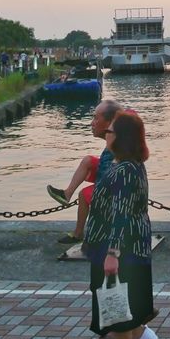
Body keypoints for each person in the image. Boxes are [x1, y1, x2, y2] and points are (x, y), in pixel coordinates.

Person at [84, 110, 158, 339]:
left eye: (110, 131)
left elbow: (122, 213)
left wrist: (112, 252)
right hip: (131, 242)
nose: (106, 134)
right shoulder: (129, 165)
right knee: (123, 296)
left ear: (121, 137)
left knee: (115, 298)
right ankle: (139, 334)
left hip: (118, 246)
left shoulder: (125, 170)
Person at [47, 99, 123, 248]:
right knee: (88, 160)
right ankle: (67, 194)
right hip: (106, 175)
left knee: (84, 194)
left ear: (110, 122)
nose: (92, 123)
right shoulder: (113, 137)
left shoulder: (118, 141)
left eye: (96, 118)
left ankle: (78, 233)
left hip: (115, 185)